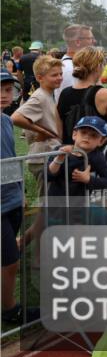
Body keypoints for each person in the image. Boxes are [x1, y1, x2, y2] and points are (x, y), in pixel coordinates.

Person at [1, 70, 37, 326]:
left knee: (8, 257)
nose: (4, 95)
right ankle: (9, 309)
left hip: (11, 198)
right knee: (10, 260)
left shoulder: (6, 121)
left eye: (8, 90)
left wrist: (20, 191)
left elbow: (12, 159)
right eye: (0, 89)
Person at [46, 117, 107, 223]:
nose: (87, 137)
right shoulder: (60, 150)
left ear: (101, 141)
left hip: (79, 206)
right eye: (83, 132)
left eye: (93, 135)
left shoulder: (97, 157)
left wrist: (88, 180)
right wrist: (59, 159)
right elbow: (48, 175)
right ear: (74, 134)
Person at [11, 55, 64, 193]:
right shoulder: (39, 97)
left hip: (48, 155)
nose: (59, 77)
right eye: (54, 75)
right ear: (40, 78)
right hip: (42, 158)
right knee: (46, 201)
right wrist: (43, 132)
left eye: (60, 74)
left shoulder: (48, 94)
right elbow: (16, 117)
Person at [57, 47, 107, 144]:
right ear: (98, 66)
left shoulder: (65, 93)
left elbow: (60, 131)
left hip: (72, 153)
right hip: (96, 155)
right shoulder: (105, 94)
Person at [57, 24, 96, 102]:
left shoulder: (72, 65)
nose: (94, 41)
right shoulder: (70, 69)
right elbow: (74, 102)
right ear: (78, 42)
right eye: (90, 38)